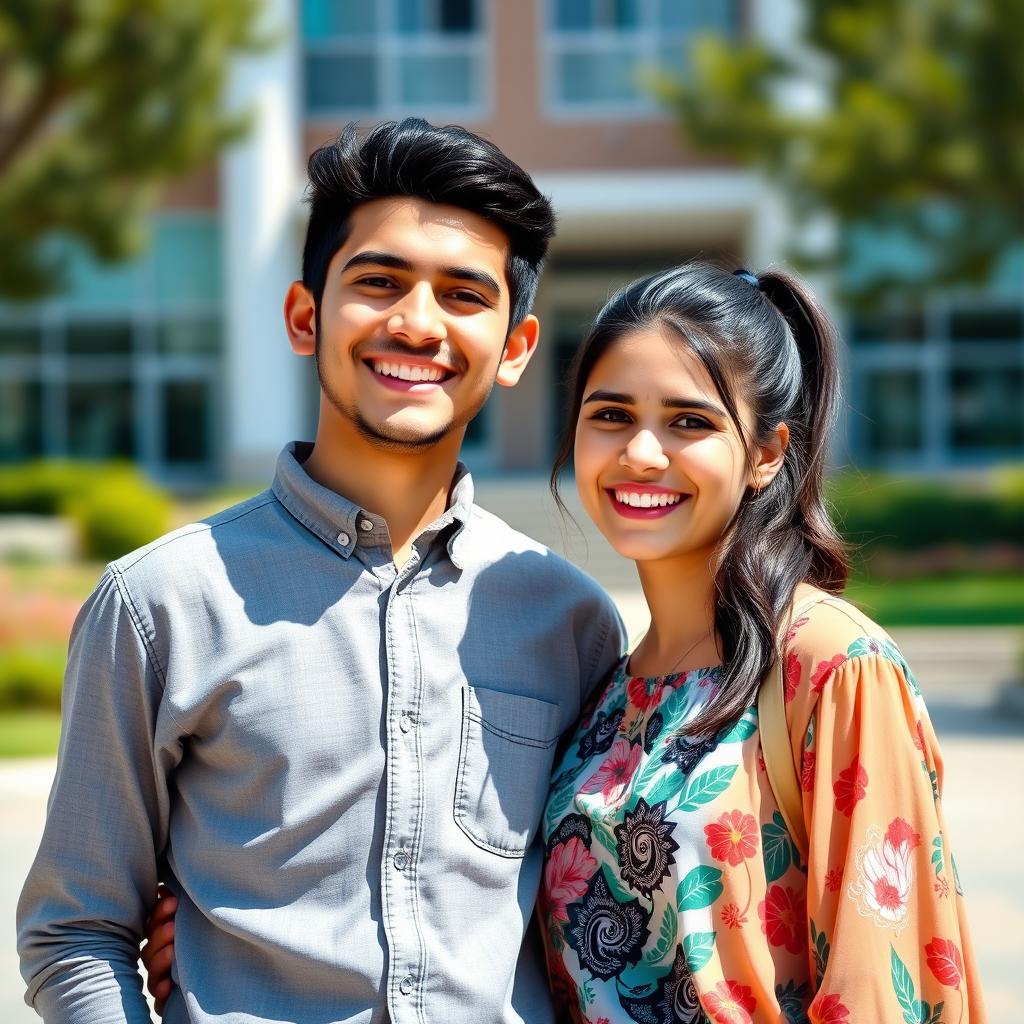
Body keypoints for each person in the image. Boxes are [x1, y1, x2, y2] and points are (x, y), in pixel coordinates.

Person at [16, 118, 626, 1024]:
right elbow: (76, 930)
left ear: (516, 348)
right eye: (379, 282)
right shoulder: (161, 605)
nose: (417, 323)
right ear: (306, 316)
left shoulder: (568, 620)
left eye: (464, 294)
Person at [538, 262, 985, 1022]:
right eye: (610, 414)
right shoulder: (608, 687)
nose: (641, 454)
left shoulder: (833, 664)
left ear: (768, 453)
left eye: (689, 422)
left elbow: (882, 990)